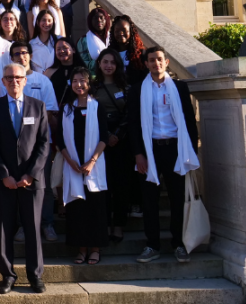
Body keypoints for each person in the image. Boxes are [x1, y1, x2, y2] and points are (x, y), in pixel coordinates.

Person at [128, 46, 199, 264]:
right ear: (146, 63)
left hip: (175, 149)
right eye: (151, 60)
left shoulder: (179, 87)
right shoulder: (138, 89)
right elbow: (133, 124)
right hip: (150, 150)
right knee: (150, 200)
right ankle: (152, 245)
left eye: (159, 59)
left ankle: (178, 244)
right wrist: (139, 154)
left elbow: (189, 120)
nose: (156, 63)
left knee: (178, 199)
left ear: (166, 62)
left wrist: (191, 152)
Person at [0, 63, 49, 295]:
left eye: (18, 77)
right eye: (9, 77)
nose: (14, 81)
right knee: (4, 229)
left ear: (25, 80)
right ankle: (8, 275)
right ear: (3, 81)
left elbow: (44, 144)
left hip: (31, 180)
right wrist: (4, 175)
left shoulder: (37, 106)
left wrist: (30, 174)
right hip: (5, 182)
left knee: (32, 229)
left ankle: (35, 276)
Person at [58, 67, 109, 265]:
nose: (79, 85)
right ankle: (80, 250)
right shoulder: (67, 108)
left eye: (83, 81)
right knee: (77, 209)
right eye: (75, 81)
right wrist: (70, 161)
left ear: (89, 84)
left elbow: (104, 137)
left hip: (93, 165)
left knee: (95, 208)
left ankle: (95, 249)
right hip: (72, 165)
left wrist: (92, 161)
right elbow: (60, 139)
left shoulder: (98, 107)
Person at [9, 41, 60, 242]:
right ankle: (23, 226)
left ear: (30, 55)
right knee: (21, 185)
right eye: (16, 54)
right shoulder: (9, 81)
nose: (21, 56)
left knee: (43, 184)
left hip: (40, 143)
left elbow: (50, 111)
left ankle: (47, 223)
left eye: (24, 53)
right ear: (11, 58)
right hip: (17, 144)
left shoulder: (43, 81)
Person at [92, 49, 132, 243]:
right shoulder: (92, 87)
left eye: (112, 62)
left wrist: (116, 135)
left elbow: (130, 114)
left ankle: (118, 225)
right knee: (103, 186)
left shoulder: (126, 88)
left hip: (122, 143)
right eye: (105, 61)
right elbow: (90, 114)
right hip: (99, 142)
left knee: (121, 185)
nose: (108, 65)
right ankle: (105, 223)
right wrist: (105, 135)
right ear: (99, 64)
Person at [45, 37, 87, 108]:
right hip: (56, 113)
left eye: (65, 48)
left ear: (73, 50)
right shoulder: (49, 72)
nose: (62, 51)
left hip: (78, 110)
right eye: (58, 49)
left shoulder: (83, 71)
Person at [109, 15, 148, 86]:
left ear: (131, 32)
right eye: (117, 31)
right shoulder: (109, 53)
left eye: (124, 30)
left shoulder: (141, 54)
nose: (121, 33)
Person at [77, 8, 112, 74]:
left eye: (101, 18)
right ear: (90, 21)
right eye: (95, 18)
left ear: (106, 20)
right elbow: (83, 62)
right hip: (93, 78)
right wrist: (101, 62)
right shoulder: (83, 41)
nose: (99, 20)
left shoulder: (113, 38)